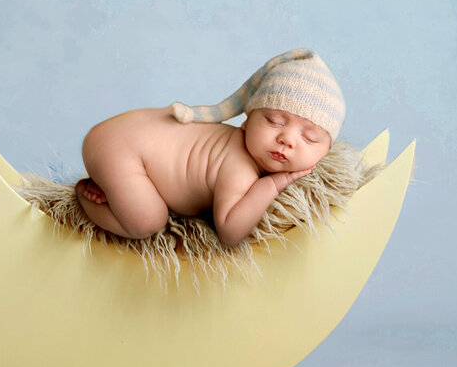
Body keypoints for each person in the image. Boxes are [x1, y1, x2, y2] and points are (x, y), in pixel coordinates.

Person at [76, 49, 345, 247]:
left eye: (309, 137)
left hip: (128, 134)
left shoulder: (245, 153)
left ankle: (112, 183)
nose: (287, 139)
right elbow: (229, 233)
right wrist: (273, 185)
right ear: (246, 121)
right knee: (148, 221)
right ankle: (86, 196)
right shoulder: (239, 167)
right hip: (121, 149)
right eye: (274, 121)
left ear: (327, 151)